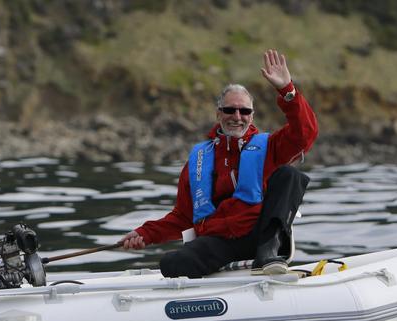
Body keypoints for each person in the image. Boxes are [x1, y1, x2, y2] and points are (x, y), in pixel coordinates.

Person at [119, 49, 318, 278]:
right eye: (229, 110)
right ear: (218, 114)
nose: (237, 116)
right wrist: (144, 233)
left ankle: (268, 253)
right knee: (171, 263)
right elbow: (183, 217)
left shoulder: (270, 146)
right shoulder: (198, 160)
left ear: (251, 116)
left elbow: (305, 134)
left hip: (260, 235)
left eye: (244, 111)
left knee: (289, 175)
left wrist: (287, 90)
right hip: (218, 241)